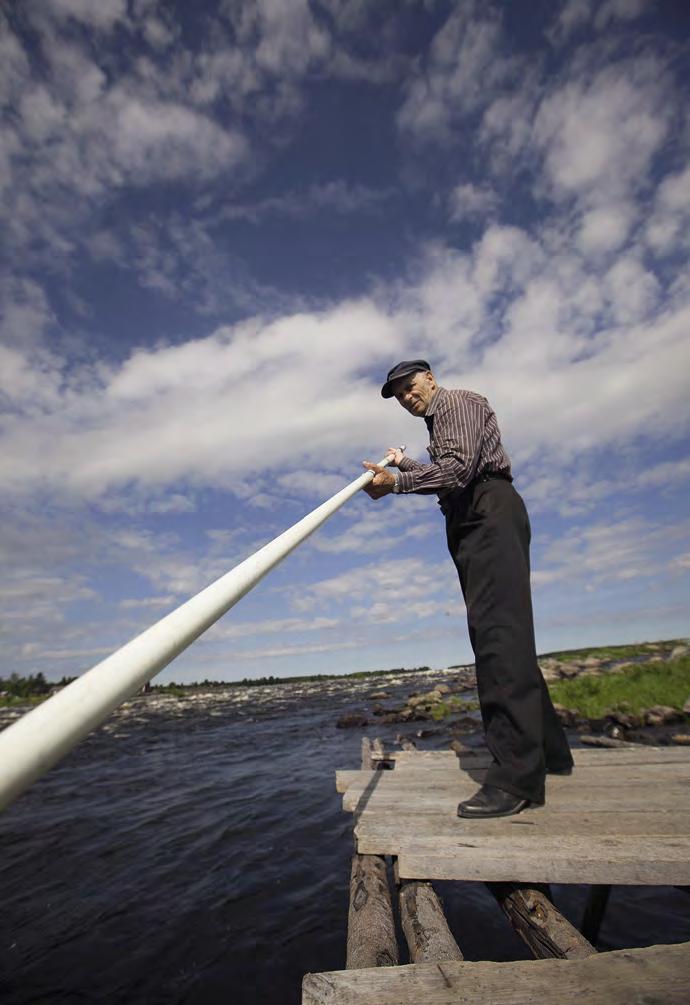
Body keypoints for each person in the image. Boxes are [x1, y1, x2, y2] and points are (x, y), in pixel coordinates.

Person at [362, 359, 573, 819]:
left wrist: (397, 482)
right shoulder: (441, 422)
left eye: (408, 386)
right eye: (397, 393)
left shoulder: (455, 402)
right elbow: (451, 472)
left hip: (485, 512)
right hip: (475, 515)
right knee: (505, 636)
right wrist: (408, 466)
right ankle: (552, 755)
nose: (404, 396)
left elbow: (458, 472)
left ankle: (517, 779)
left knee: (497, 638)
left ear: (430, 379)